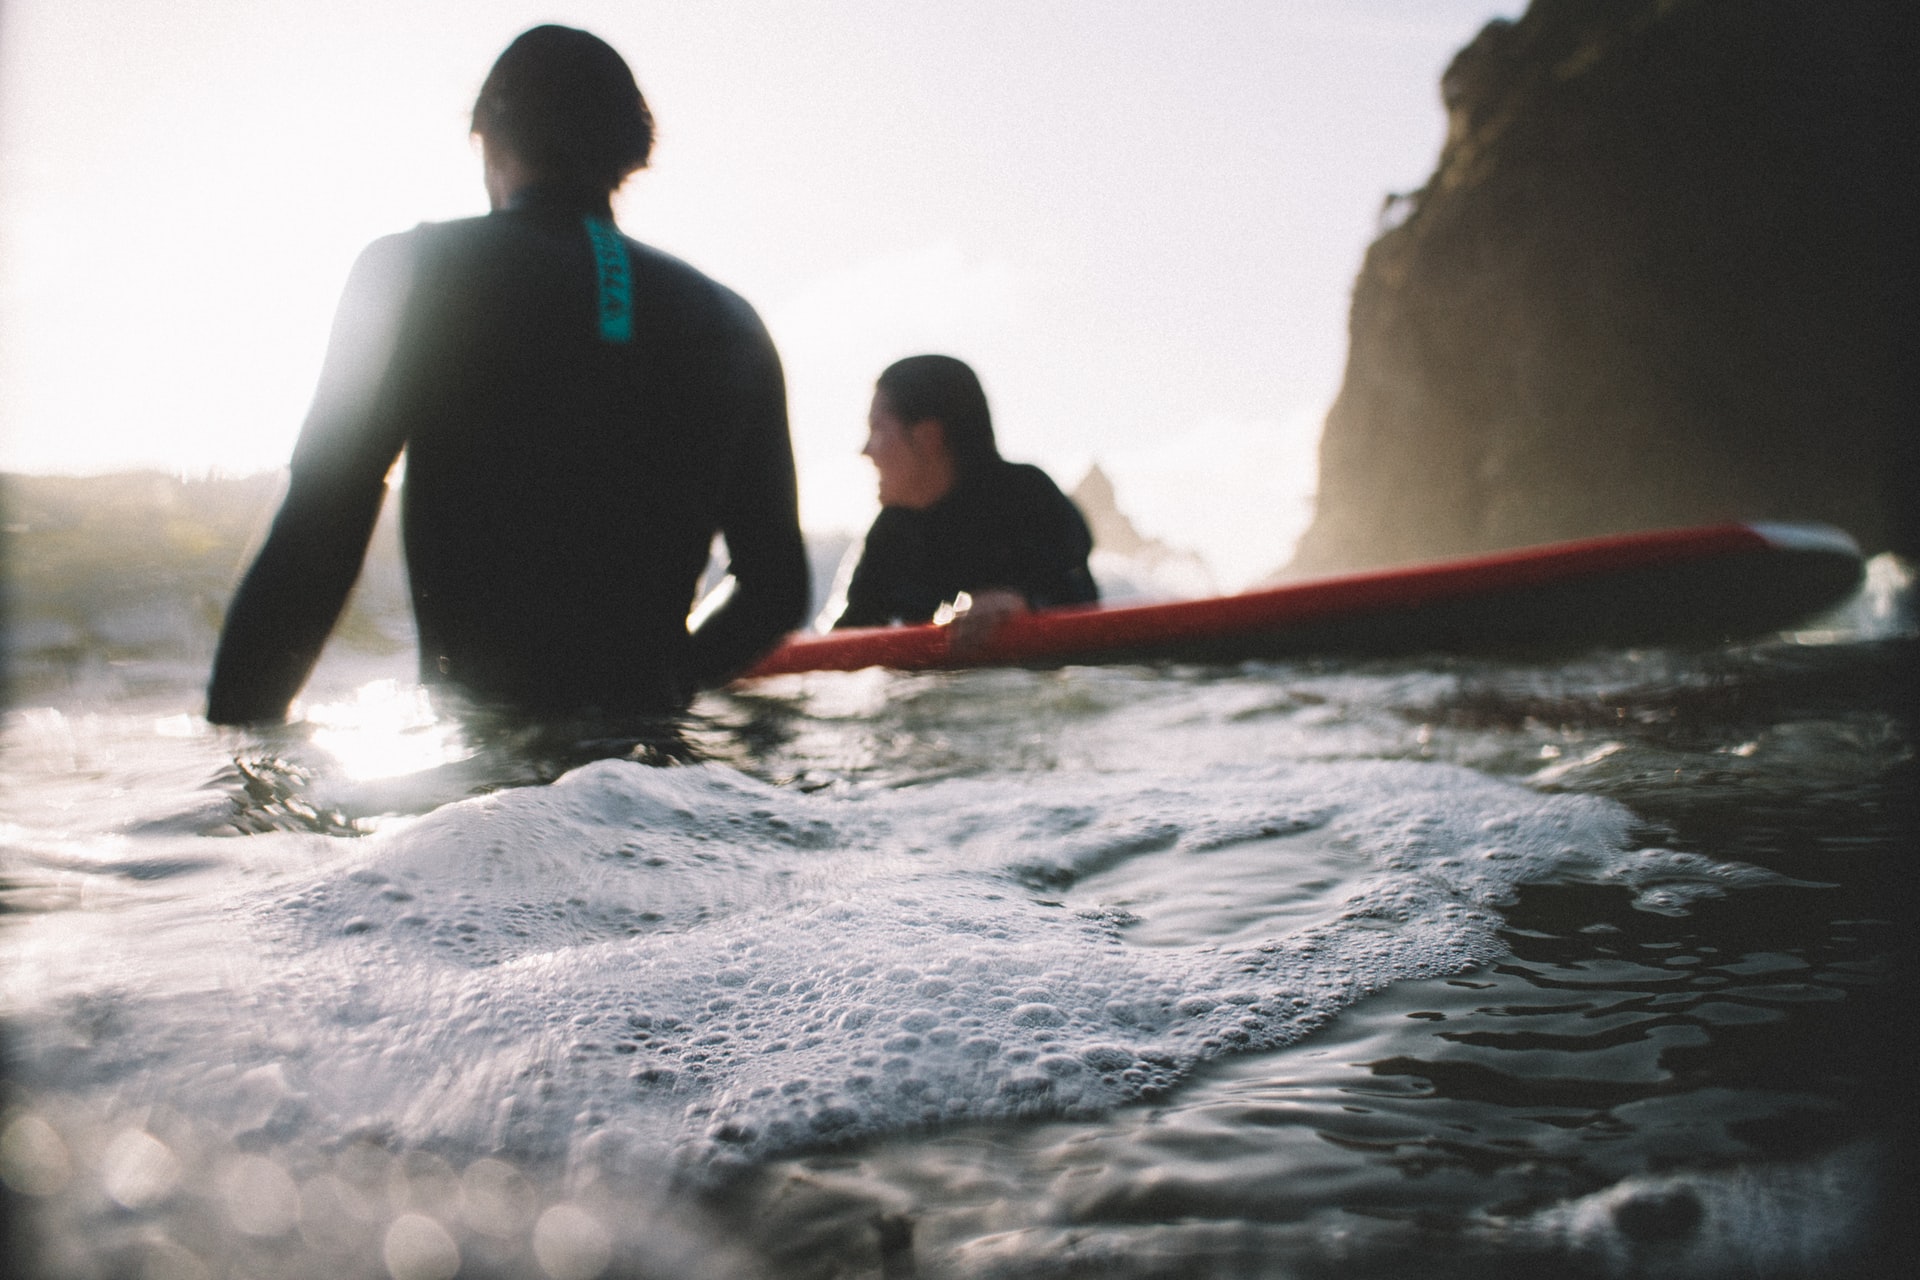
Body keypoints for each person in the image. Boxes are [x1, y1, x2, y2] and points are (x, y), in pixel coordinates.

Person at [207, 26, 808, 727]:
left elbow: (321, 523)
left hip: (484, 779)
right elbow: (776, 588)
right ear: (629, 149)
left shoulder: (416, 271)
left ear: (488, 134)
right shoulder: (731, 321)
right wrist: (665, 686)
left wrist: (235, 766)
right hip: (652, 767)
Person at [833, 355, 1096, 641]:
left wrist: (1020, 603)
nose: (866, 450)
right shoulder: (892, 532)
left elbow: (1079, 596)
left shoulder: (1027, 497)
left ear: (928, 436)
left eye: (877, 429)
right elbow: (845, 642)